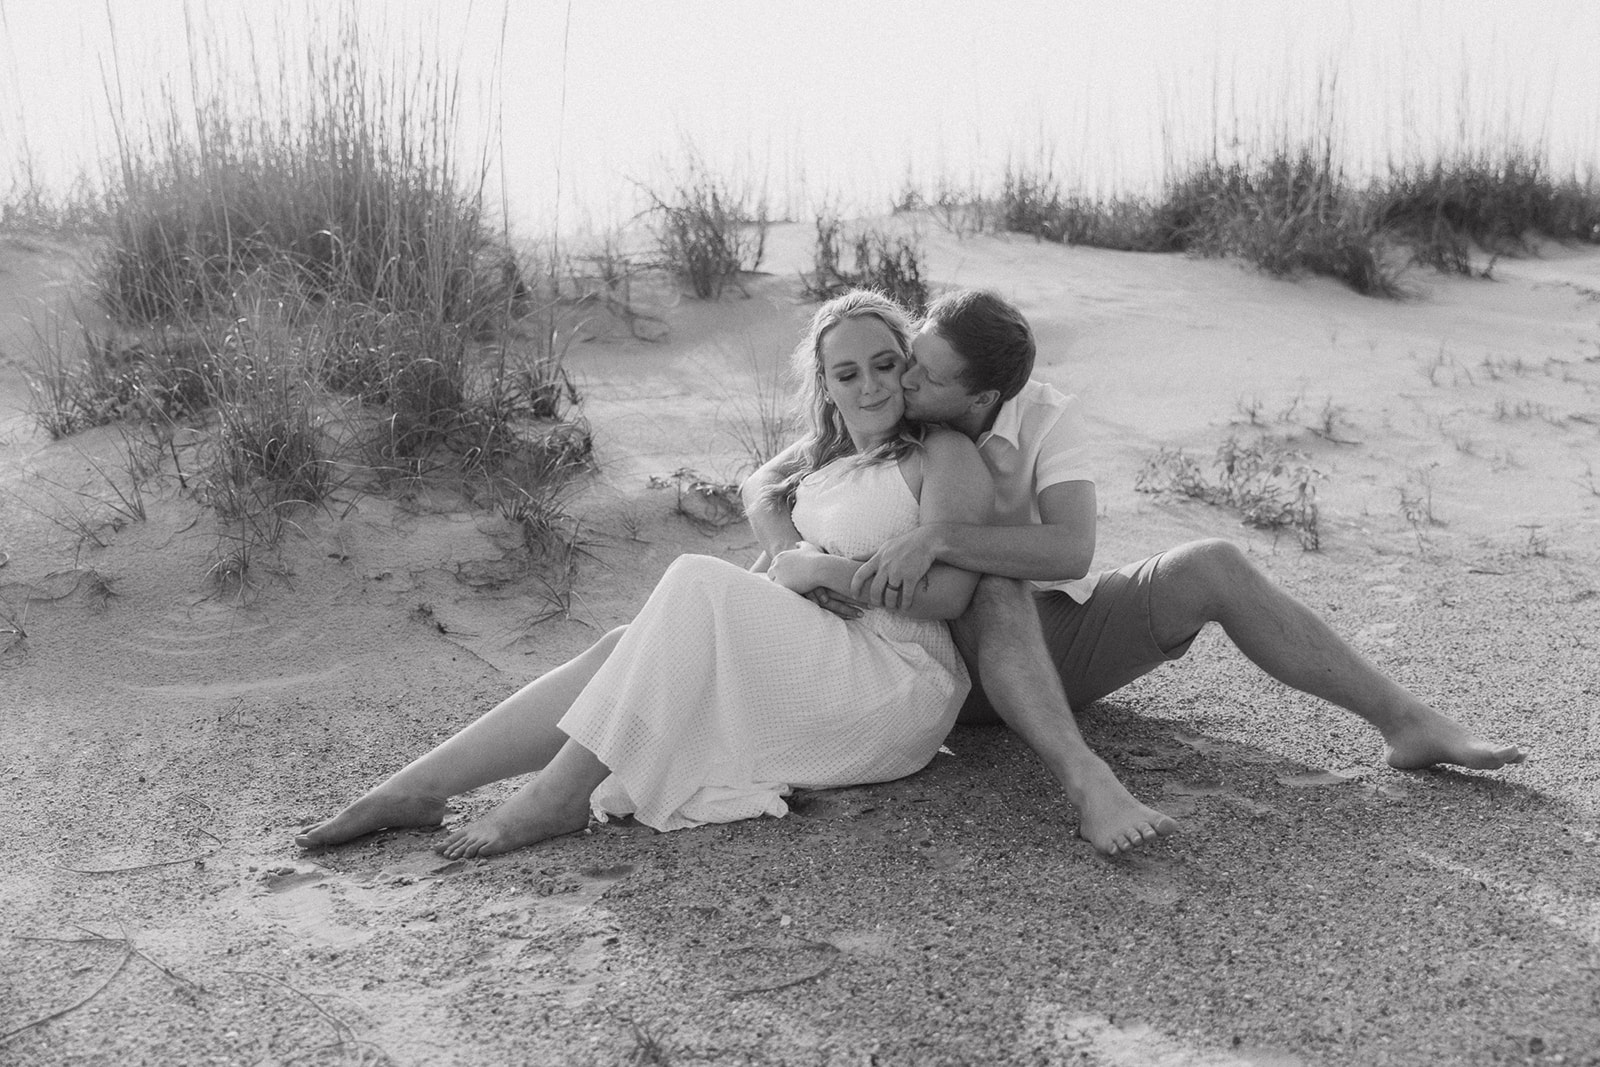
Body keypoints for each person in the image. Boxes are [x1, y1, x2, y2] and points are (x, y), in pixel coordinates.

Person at [743, 289, 1526, 857]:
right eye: (901, 363)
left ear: (979, 396)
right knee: (995, 584)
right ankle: (1087, 783)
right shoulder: (871, 415)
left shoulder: (1042, 415)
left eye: (916, 374)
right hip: (935, 650)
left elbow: (1071, 552)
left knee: (1208, 562)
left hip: (1051, 636)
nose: (897, 383)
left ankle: (1408, 722)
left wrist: (940, 536)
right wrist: (798, 558)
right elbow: (765, 483)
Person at [296, 290, 993, 858]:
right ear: (827, 386)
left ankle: (560, 796)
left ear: (907, 363)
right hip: (821, 658)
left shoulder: (941, 454)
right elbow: (760, 491)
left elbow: (952, 594)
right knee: (619, 645)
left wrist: (816, 565)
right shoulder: (823, 458)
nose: (870, 384)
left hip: (896, 680)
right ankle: (418, 787)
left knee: (695, 578)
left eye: (884, 363)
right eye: (848, 373)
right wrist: (787, 558)